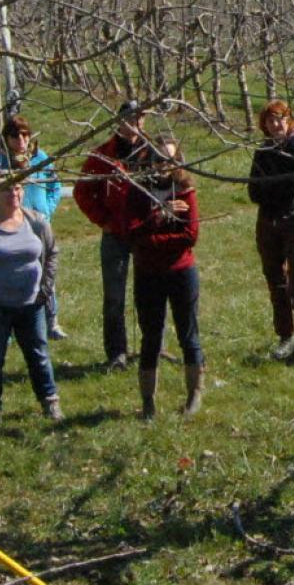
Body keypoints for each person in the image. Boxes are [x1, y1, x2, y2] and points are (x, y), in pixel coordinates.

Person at [0, 181, 61, 427]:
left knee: (39, 355)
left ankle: (50, 401)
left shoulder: (36, 221)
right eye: (6, 189)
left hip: (32, 304)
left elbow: (52, 253)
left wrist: (45, 288)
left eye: (17, 188)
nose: (13, 194)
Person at [74, 101, 163, 369]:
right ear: (119, 121)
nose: (136, 122)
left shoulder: (152, 152)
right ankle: (117, 353)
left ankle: (152, 347)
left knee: (150, 293)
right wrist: (103, 220)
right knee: (114, 296)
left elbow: (168, 183)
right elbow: (82, 192)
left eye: (140, 118)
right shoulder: (103, 155)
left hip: (146, 232)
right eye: (131, 118)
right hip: (115, 234)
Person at [124, 137, 203, 419]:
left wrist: (152, 237)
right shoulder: (137, 191)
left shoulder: (185, 191)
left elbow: (189, 236)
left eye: (169, 159)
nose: (163, 165)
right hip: (148, 274)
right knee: (151, 337)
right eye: (158, 158)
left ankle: (194, 394)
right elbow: (132, 233)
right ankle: (148, 402)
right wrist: (160, 215)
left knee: (188, 335)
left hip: (181, 272)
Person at [0, 115, 68, 340]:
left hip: (39, 223)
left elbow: (55, 187)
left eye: (25, 134)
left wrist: (47, 209)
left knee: (46, 271)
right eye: (15, 135)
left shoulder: (41, 160)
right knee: (10, 274)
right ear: (6, 139)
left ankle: (51, 321)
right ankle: (7, 326)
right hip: (10, 227)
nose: (20, 139)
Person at [248, 100, 294, 361]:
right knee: (275, 281)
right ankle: (285, 336)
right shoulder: (263, 151)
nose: (275, 125)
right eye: (270, 121)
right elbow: (253, 191)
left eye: (279, 119)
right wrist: (271, 189)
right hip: (268, 223)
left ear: (289, 120)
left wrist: (270, 187)